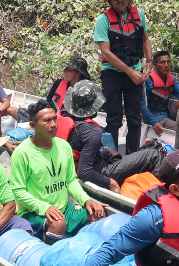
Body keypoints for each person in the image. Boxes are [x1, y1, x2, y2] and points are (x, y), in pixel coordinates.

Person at [10, 99, 107, 242]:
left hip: (63, 208)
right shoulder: (22, 153)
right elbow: (18, 192)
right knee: (58, 223)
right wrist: (45, 207)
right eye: (47, 121)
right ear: (33, 125)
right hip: (34, 212)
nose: (53, 124)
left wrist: (87, 200)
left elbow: (71, 181)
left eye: (55, 119)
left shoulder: (64, 146)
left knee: (98, 213)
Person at [61, 81, 163, 192]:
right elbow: (84, 172)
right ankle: (161, 194)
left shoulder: (60, 118)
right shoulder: (91, 132)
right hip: (101, 172)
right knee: (153, 155)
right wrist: (110, 182)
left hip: (73, 170)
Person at [95, 0, 152, 154]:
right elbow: (106, 52)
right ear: (110, 0)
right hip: (112, 74)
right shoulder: (103, 20)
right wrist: (130, 72)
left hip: (135, 69)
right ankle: (111, 157)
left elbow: (145, 39)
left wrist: (149, 61)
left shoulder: (139, 14)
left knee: (135, 117)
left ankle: (133, 155)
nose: (120, 0)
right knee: (114, 118)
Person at [141, 51, 179, 135]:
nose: (166, 65)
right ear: (154, 65)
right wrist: (153, 122)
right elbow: (141, 104)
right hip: (154, 117)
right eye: (162, 62)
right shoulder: (148, 80)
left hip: (167, 112)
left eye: (168, 62)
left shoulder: (171, 79)